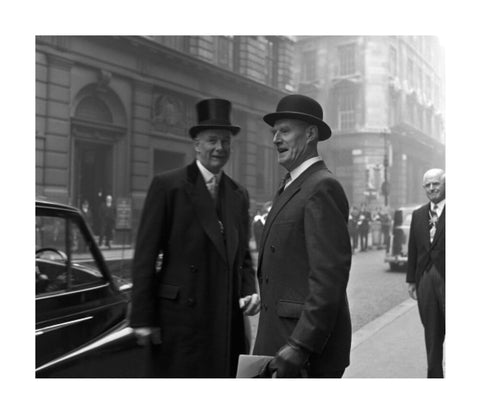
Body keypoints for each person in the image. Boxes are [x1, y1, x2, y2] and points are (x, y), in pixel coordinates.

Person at [129, 98, 260, 378]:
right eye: (212, 140)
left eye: (226, 141)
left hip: (225, 316)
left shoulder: (238, 194)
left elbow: (243, 257)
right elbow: (145, 255)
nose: (220, 148)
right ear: (196, 144)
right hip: (180, 318)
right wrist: (143, 316)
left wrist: (249, 290)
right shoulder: (168, 186)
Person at [253, 94, 352, 378]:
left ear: (310, 134)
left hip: (303, 349)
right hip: (280, 337)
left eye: (284, 131)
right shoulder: (293, 184)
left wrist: (300, 344)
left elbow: (329, 277)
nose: (275, 139)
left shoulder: (322, 187)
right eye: (274, 132)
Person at [406, 168, 445, 378]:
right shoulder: (419, 214)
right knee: (431, 334)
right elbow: (413, 248)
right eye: (428, 185)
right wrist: (411, 280)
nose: (432, 188)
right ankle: (435, 378)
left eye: (436, 183)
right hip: (425, 280)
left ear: (445, 184)